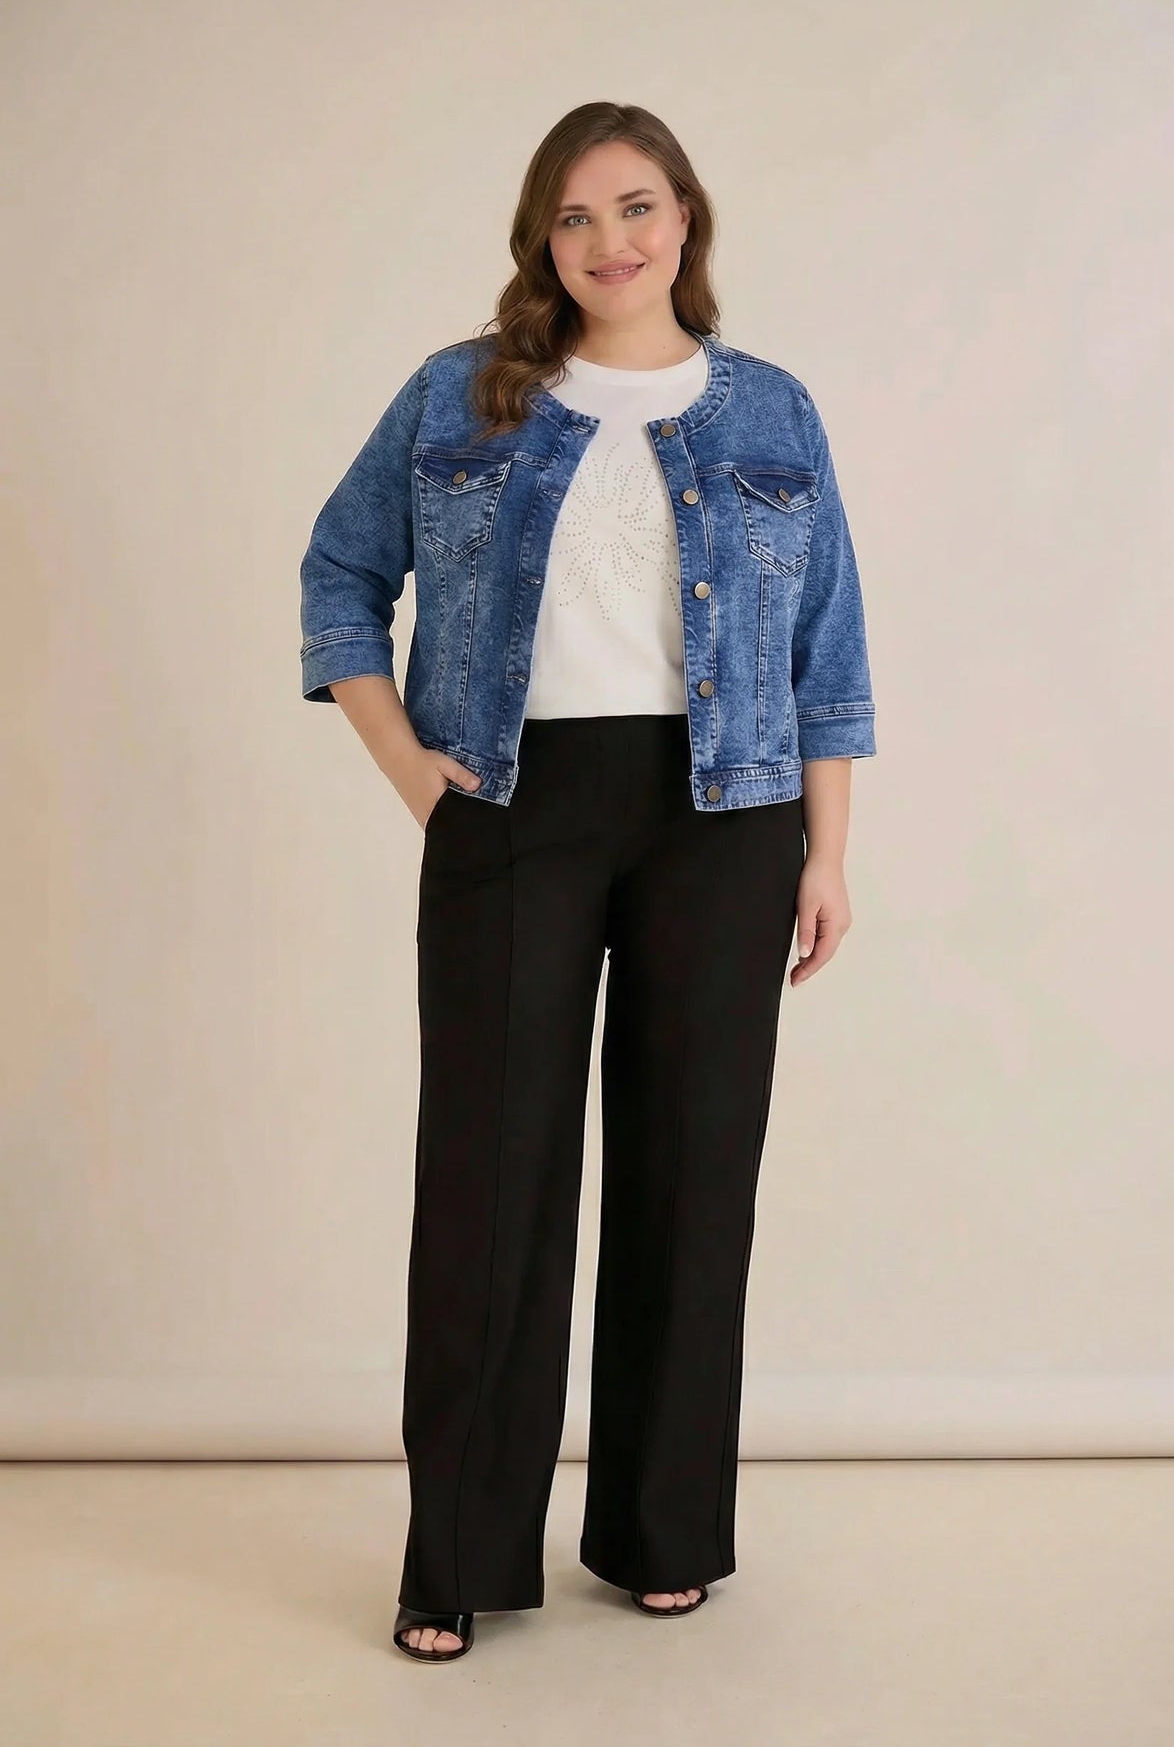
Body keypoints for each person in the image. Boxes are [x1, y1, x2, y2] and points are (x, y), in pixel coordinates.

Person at [298, 101, 877, 1665]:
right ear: (540, 241)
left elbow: (828, 650)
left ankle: (662, 1530)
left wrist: (828, 853)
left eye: (635, 206)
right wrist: (411, 769)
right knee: (489, 1180)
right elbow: (340, 572)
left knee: (694, 1177)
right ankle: (456, 1556)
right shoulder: (462, 392)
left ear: (685, 219)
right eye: (574, 216)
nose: (609, 241)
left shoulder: (772, 408)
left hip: (726, 814)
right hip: (513, 805)